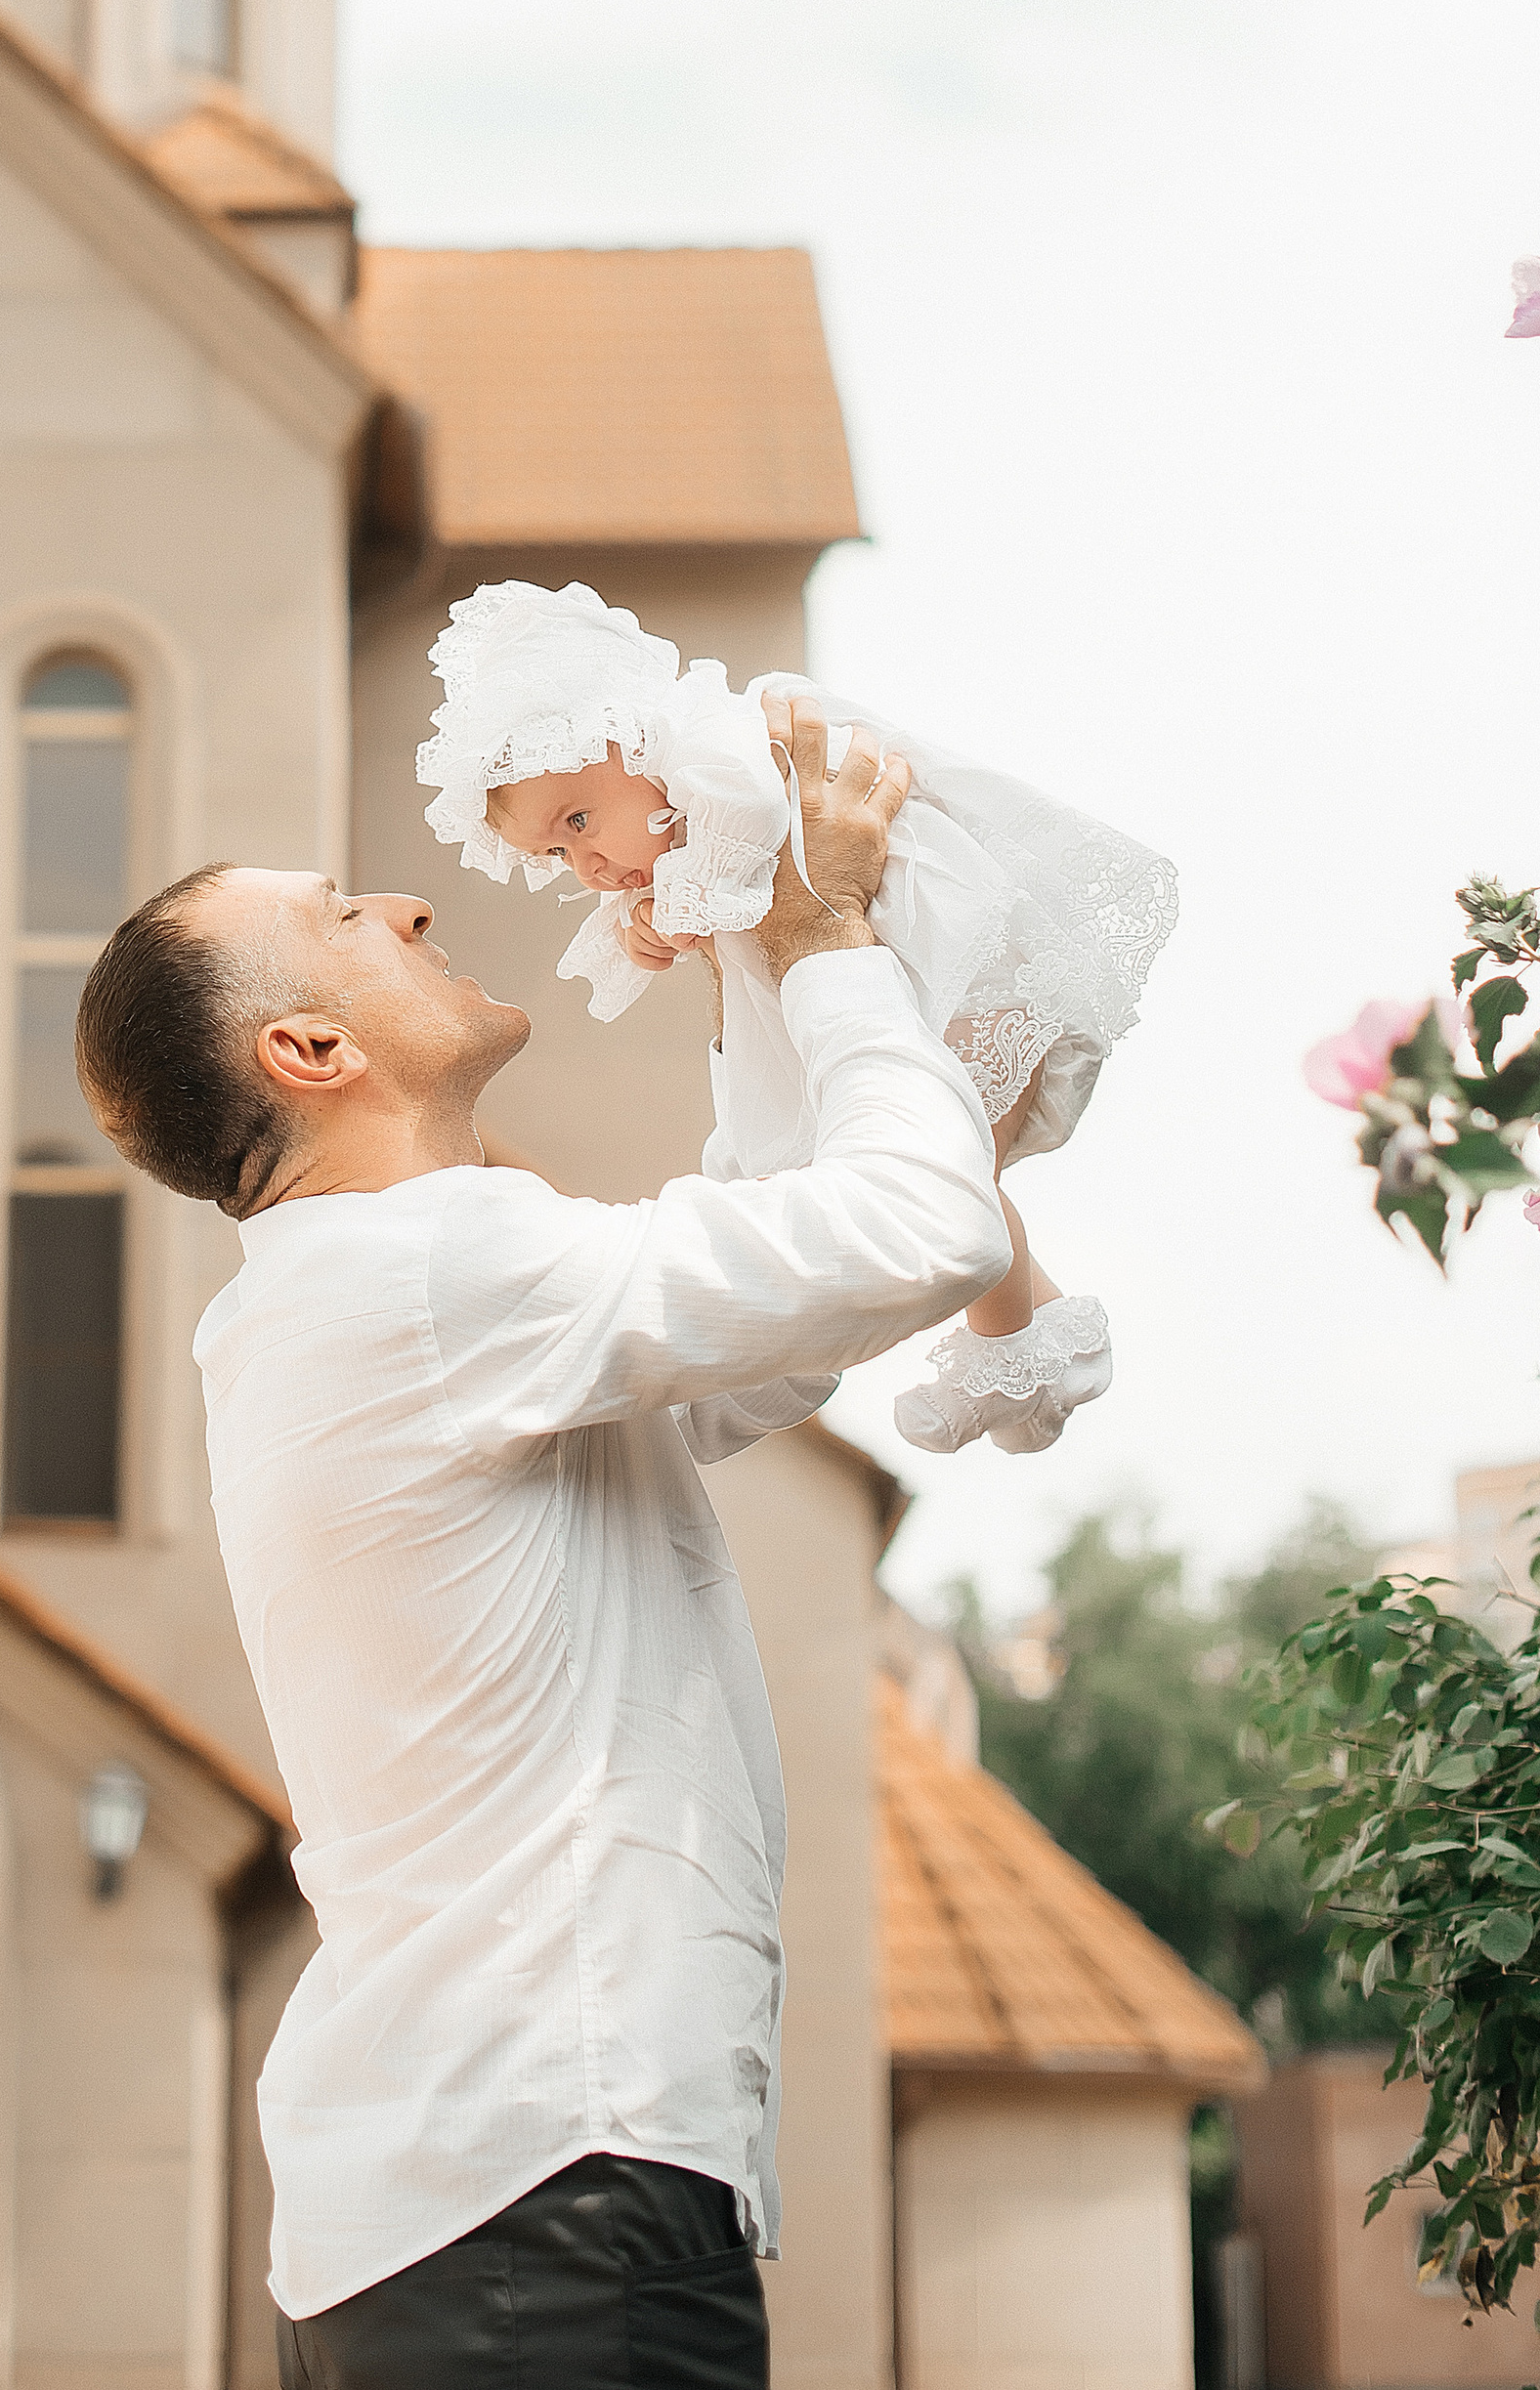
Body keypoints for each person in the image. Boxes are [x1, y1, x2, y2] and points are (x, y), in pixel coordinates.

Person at [72, 700, 1014, 2384]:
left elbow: (774, 1316)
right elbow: (917, 1225)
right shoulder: (421, 1271)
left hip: (487, 2204)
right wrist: (832, 937)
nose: (413, 907)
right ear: (306, 1051)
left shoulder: (385, 1293)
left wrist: (749, 942)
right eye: (352, 913)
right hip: (548, 2200)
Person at [419, 580, 1177, 1457]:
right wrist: (656, 914)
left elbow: (747, 819)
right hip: (866, 979)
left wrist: (676, 904)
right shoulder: (674, 825)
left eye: (580, 819)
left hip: (941, 965)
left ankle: (1012, 1354)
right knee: (890, 1174)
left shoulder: (717, 745)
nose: (584, 862)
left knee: (944, 1172)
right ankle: (1030, 1342)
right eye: (558, 850)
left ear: (629, 738)